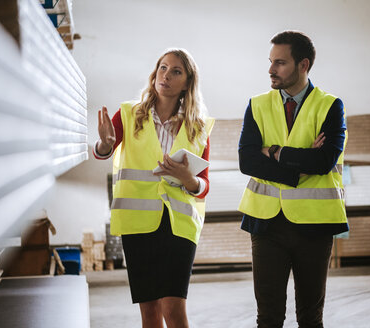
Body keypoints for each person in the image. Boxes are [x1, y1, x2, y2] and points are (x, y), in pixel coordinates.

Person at [94, 48, 214, 328]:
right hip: (137, 224)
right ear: (154, 73)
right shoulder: (128, 114)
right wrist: (105, 145)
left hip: (178, 225)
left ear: (187, 82)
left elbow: (204, 185)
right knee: (150, 315)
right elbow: (103, 150)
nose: (166, 75)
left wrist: (188, 178)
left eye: (176, 71)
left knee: (174, 311)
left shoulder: (198, 127)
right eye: (163, 67)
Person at [238, 30, 348, 328]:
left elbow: (324, 161)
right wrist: (297, 168)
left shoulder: (330, 106)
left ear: (304, 65)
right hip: (266, 224)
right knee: (268, 317)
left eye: (281, 63)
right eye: (271, 61)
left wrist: (273, 151)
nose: (271, 70)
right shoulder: (257, 105)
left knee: (310, 319)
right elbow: (247, 161)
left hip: (315, 226)